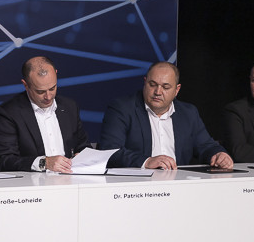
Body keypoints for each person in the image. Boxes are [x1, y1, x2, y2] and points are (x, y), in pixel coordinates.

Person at [99, 61, 233, 169]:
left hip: (178, 183)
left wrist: (218, 154)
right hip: (137, 185)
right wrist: (147, 161)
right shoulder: (122, 108)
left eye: (165, 87)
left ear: (177, 90)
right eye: (152, 85)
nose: (158, 92)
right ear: (145, 82)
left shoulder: (188, 113)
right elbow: (109, 150)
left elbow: (206, 145)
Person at [0, 55, 90, 172]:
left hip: (71, 178)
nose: (48, 97)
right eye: (40, 92)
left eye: (52, 88)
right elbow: (5, 161)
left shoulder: (69, 106)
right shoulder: (7, 113)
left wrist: (81, 156)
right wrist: (44, 163)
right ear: (26, 85)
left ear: (56, 74)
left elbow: (83, 146)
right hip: (32, 182)